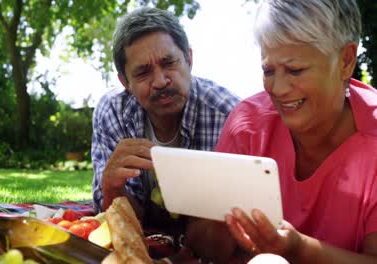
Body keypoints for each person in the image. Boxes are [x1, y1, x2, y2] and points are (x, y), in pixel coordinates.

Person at [209, 0, 377, 263]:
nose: (278, 88)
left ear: (345, 61)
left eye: (295, 70)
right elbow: (206, 243)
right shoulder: (248, 125)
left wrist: (299, 250)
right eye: (268, 71)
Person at [91, 6, 239, 257]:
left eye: (169, 63)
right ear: (125, 82)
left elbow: (223, 239)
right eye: (143, 72)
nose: (160, 81)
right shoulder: (112, 111)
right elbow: (116, 216)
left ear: (189, 59)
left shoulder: (228, 115)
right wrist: (111, 185)